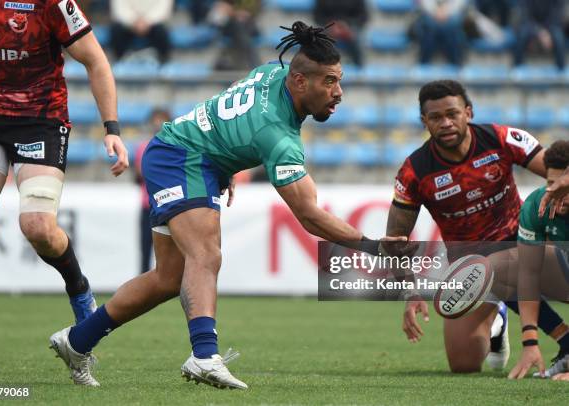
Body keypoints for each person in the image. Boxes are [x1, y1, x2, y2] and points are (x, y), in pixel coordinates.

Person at [49, 21, 406, 388]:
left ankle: (76, 342)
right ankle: (204, 355)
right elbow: (309, 215)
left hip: (186, 155)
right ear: (300, 81)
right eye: (329, 81)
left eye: (339, 80)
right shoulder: (278, 136)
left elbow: (231, 110)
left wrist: (227, 162)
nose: (339, 92)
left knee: (168, 278)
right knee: (206, 254)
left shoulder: (273, 70)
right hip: (180, 157)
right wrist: (371, 246)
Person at [0, 0, 129, 374]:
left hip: (41, 121)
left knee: (37, 228)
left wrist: (112, 129)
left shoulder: (53, 4)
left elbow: (96, 60)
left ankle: (79, 287)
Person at [385, 80, 569, 373]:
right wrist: (409, 292)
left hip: (522, 245)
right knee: (463, 363)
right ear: (424, 122)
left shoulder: (501, 139)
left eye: (452, 113)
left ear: (468, 112)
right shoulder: (415, 171)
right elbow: (395, 238)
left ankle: (564, 338)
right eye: (435, 117)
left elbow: (557, 171)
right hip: (470, 270)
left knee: (503, 262)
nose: (445, 123)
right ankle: (498, 322)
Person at [509, 140, 569, 380]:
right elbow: (528, 274)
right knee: (504, 267)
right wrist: (529, 341)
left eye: (563, 187)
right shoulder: (536, 205)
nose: (557, 195)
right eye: (550, 184)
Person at [135, 109, 171, 274]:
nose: (157, 124)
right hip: (148, 206)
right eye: (155, 120)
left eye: (161, 120)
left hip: (167, 205)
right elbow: (139, 174)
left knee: (167, 252)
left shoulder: (172, 146)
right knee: (145, 249)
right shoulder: (143, 147)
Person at [109, 0, 173, 64]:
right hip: (128, 24)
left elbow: (163, 9)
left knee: (161, 31)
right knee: (116, 30)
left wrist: (147, 20)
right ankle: (118, 61)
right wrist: (133, 20)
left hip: (153, 24)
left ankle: (163, 63)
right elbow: (119, 9)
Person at [513, 0, 566, 71]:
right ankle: (517, 68)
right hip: (531, 26)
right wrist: (539, 31)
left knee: (558, 37)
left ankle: (561, 70)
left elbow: (557, 15)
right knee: (522, 34)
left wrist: (546, 32)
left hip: (551, 26)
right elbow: (525, 15)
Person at [314, 0, 369, 67]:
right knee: (317, 39)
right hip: (329, 27)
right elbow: (317, 17)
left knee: (357, 39)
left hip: (351, 27)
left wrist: (347, 26)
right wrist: (332, 26)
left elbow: (363, 16)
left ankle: (359, 67)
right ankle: (321, 67)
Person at [417, 0, 469, 66]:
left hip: (452, 13)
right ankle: (424, 62)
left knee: (452, 25)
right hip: (431, 13)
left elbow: (460, 3)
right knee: (429, 26)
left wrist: (446, 11)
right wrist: (435, 11)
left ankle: (455, 62)